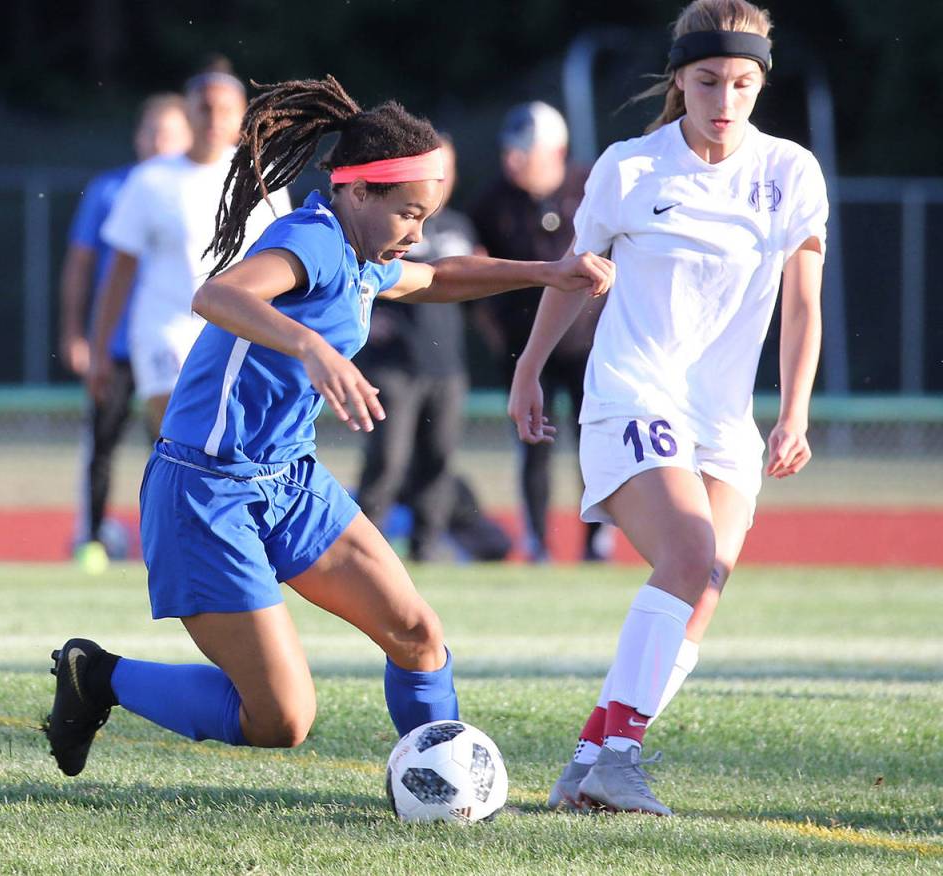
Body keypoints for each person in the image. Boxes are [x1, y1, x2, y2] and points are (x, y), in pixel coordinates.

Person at [42, 76, 611, 777]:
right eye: (408, 213)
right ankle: (96, 677)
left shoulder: (367, 255)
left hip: (289, 479)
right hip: (206, 494)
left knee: (417, 636)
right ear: (357, 192)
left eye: (425, 215)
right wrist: (310, 348)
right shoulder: (313, 239)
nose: (418, 232)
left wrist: (548, 271)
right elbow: (216, 294)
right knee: (282, 719)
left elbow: (437, 278)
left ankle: (444, 781)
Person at [509, 0, 827, 815]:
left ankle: (587, 761)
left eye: (743, 83)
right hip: (633, 393)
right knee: (688, 551)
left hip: (724, 420)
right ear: (680, 80)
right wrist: (530, 368)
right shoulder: (630, 168)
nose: (725, 99)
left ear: (761, 84)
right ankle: (621, 757)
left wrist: (792, 412)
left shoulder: (790, 171)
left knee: (704, 583)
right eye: (709, 80)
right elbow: (573, 273)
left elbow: (801, 306)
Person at [89, 58, 291, 439]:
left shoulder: (263, 177)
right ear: (188, 113)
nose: (214, 118)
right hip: (166, 328)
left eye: (225, 109)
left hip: (241, 326)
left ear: (242, 115)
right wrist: (99, 350)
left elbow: (285, 259)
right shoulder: (151, 179)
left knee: (231, 440)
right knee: (173, 435)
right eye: (205, 107)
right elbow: (119, 271)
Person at [471, 102, 611, 563]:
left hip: (589, 344)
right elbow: (477, 274)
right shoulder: (492, 203)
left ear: (557, 151)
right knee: (534, 446)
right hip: (525, 346)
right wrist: (495, 333)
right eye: (510, 151)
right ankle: (537, 543)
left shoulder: (591, 187)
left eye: (524, 152)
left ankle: (598, 541)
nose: (513, 161)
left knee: (594, 443)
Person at [58, 94, 192, 569]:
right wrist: (76, 332)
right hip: (116, 344)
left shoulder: (196, 188)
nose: (160, 141)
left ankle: (175, 538)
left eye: (170, 132)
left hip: (177, 342)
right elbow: (82, 262)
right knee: (102, 443)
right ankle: (91, 536)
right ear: (137, 136)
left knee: (176, 445)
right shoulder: (110, 189)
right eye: (151, 131)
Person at [354, 136, 492, 562]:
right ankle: (367, 550)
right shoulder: (388, 224)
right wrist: (368, 316)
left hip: (446, 367)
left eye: (446, 171)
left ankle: (426, 548)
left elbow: (469, 293)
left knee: (438, 461)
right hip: (394, 366)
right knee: (388, 463)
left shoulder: (458, 227)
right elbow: (356, 276)